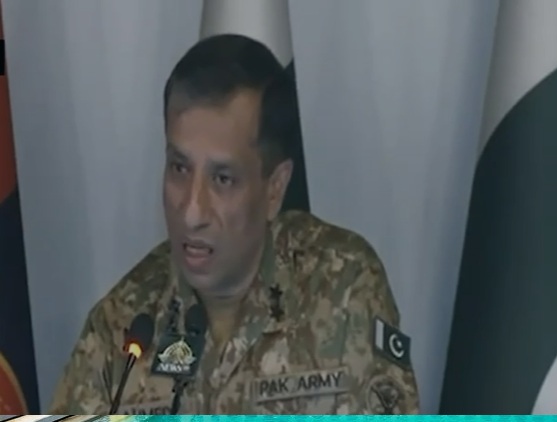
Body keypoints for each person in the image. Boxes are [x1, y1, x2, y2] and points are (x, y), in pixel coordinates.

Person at [49, 34, 419, 415]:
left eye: (222, 179)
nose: (192, 213)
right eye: (179, 168)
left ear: (274, 189)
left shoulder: (344, 287)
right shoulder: (122, 326)